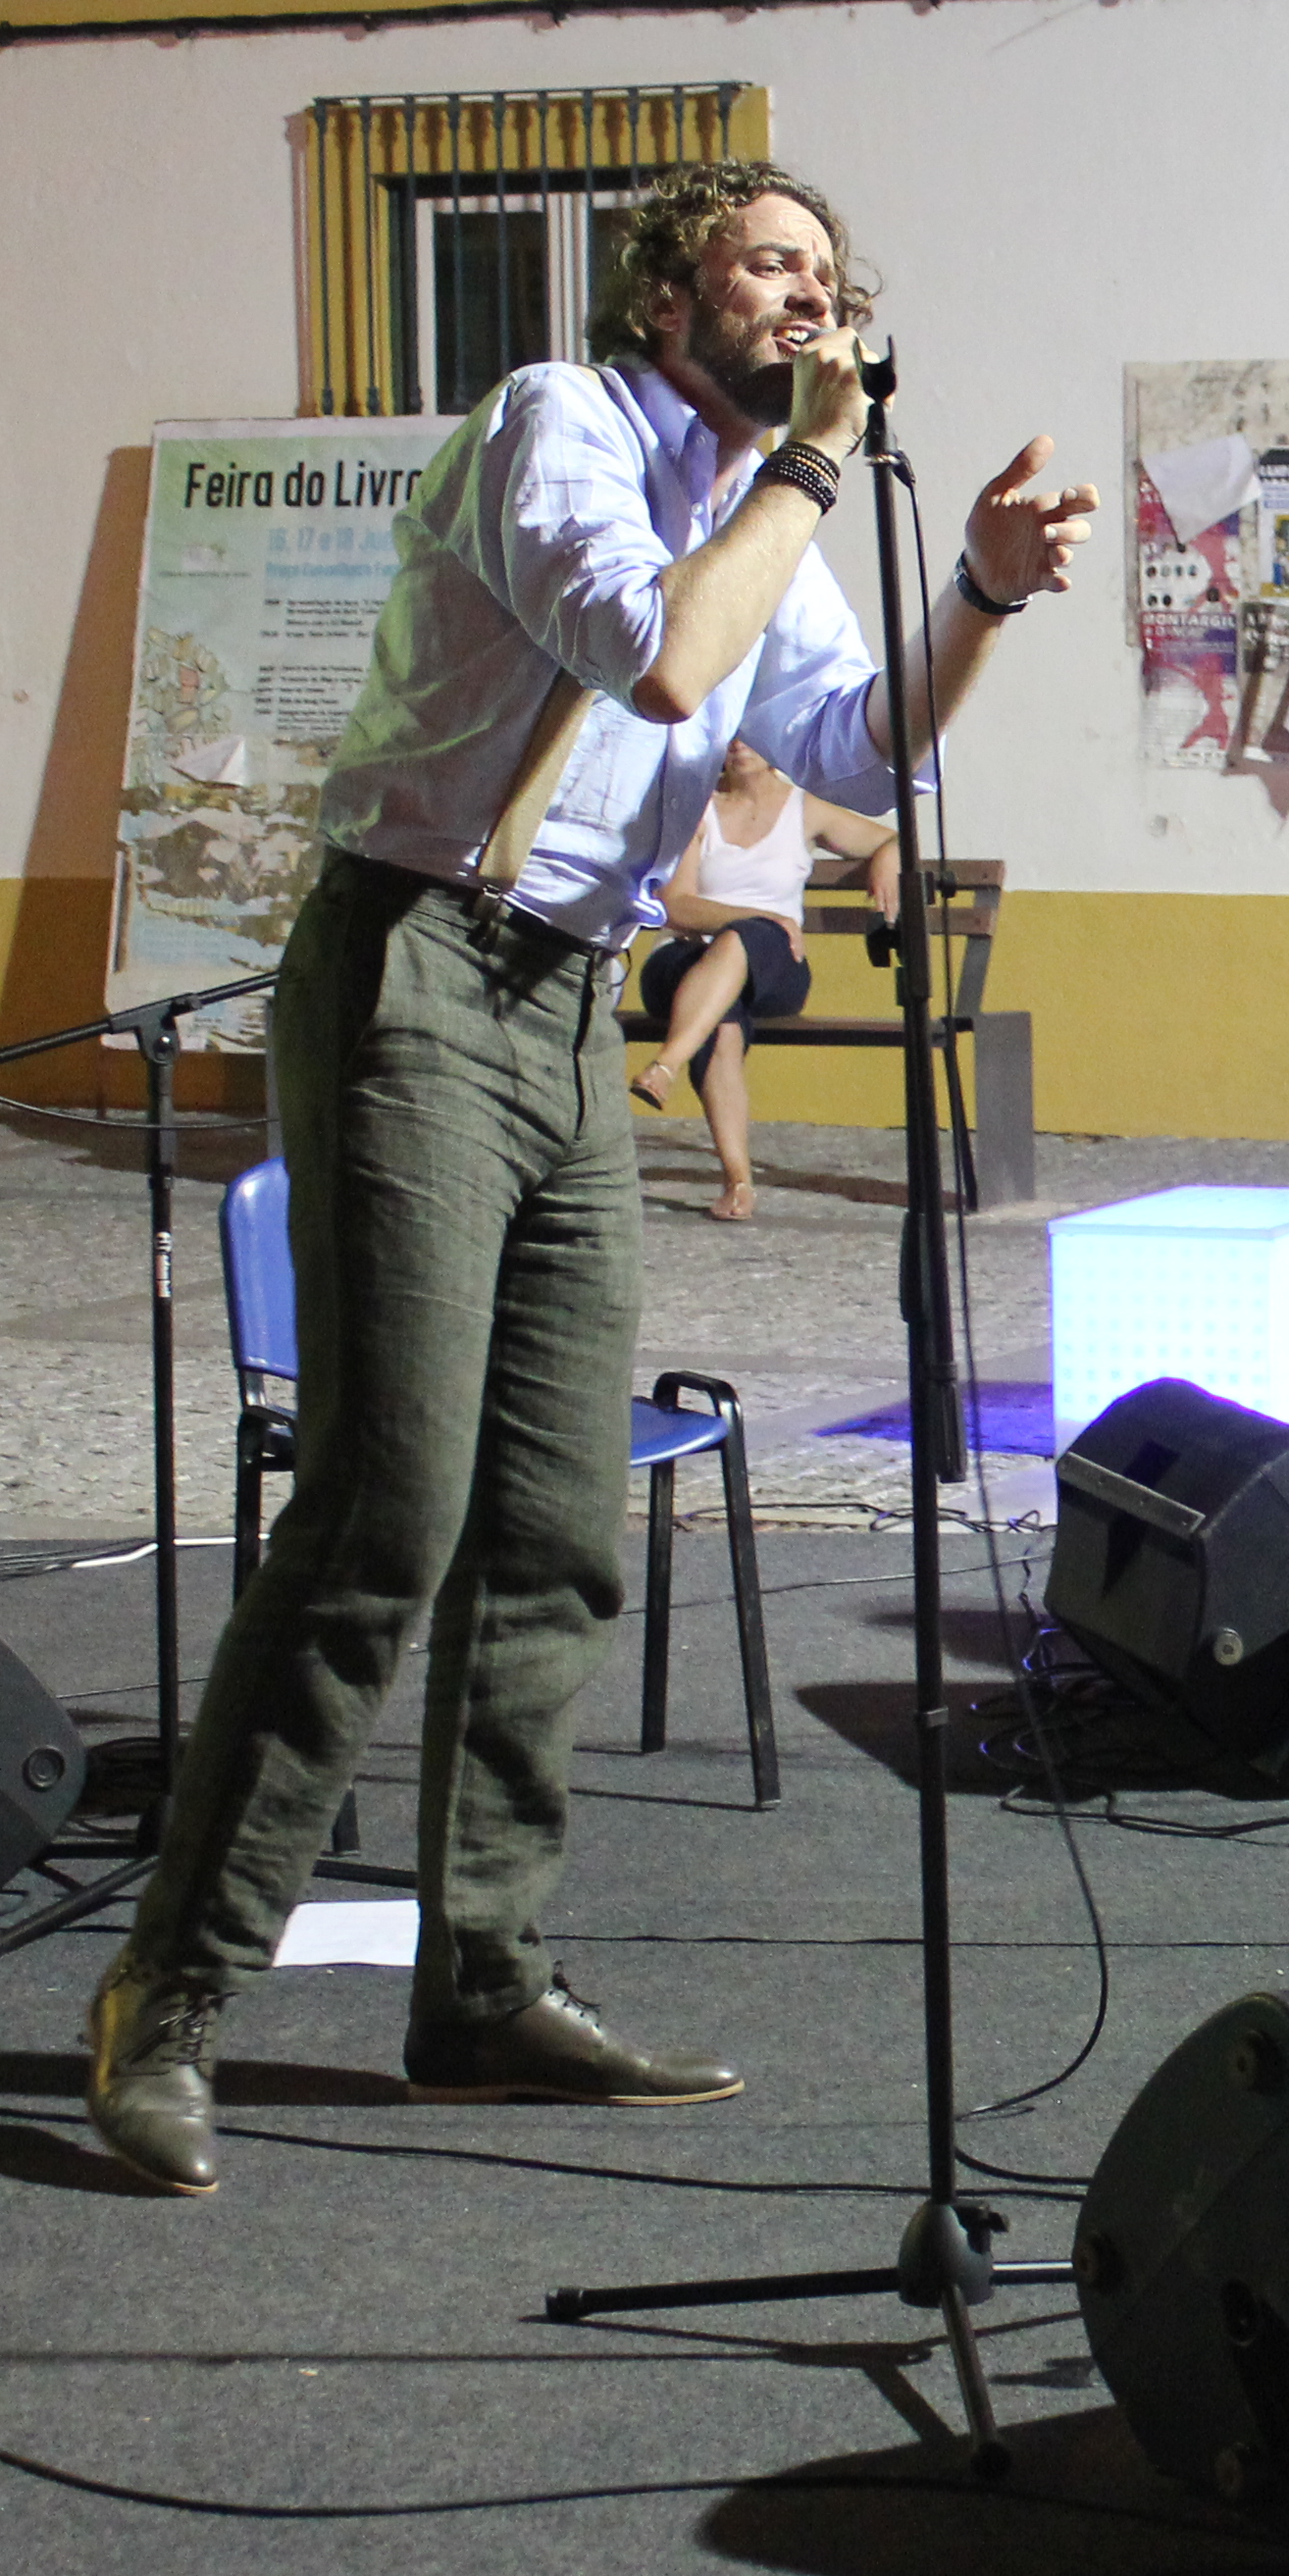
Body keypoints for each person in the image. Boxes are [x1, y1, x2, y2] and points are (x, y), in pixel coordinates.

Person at [80, 159, 1095, 2196]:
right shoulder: (561, 424)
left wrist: (973, 592)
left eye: (828, 277)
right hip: (416, 962)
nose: (808, 301)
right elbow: (651, 657)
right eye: (768, 264)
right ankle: (167, 1997)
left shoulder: (769, 514)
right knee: (386, 1506)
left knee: (553, 1528)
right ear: (672, 291)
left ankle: (480, 1983)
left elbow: (860, 744)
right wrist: (805, 471)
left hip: (567, 999)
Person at [628, 740, 900, 1220]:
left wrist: (885, 862)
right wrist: (759, 916)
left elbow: (891, 839)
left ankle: (666, 1065)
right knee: (723, 1024)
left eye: (753, 734)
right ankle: (738, 1181)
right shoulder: (696, 809)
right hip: (686, 960)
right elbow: (677, 905)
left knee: (741, 942)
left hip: (776, 967)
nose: (739, 745)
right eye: (731, 733)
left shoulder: (804, 809)